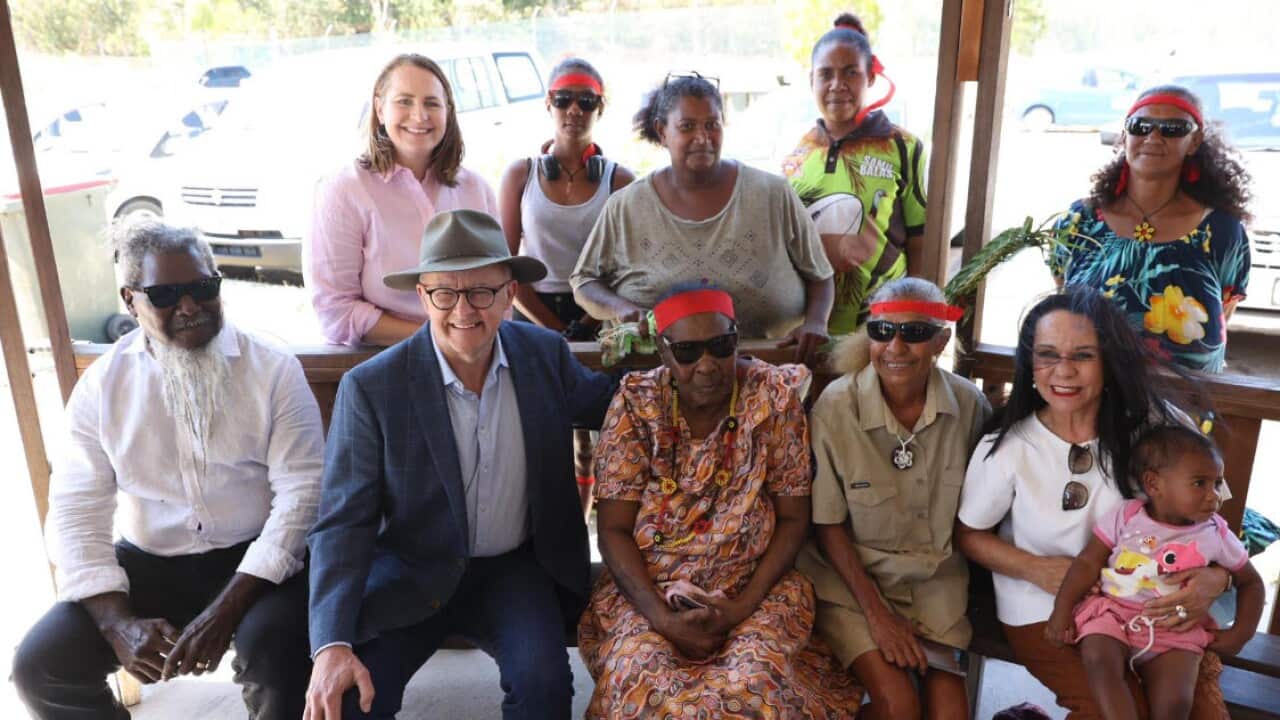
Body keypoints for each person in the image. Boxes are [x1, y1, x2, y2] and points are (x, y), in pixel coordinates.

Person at [303, 209, 616, 720]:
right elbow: (343, 521)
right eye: (445, 293)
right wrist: (331, 643)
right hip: (412, 569)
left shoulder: (544, 357)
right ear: (423, 296)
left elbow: (616, 408)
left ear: (510, 292)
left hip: (515, 570)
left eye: (482, 292)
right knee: (353, 700)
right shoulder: (374, 387)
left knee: (545, 690)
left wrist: (692, 363)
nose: (463, 309)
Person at [13, 222, 323, 720]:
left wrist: (227, 610)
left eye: (203, 288)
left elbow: (304, 496)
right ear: (130, 300)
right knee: (41, 667)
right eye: (165, 294)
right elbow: (76, 512)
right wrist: (118, 623)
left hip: (261, 562)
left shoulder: (273, 369)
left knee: (277, 654)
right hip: (151, 562)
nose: (189, 307)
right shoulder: (102, 388)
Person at [578, 283, 863, 719]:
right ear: (665, 351)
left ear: (737, 340)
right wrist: (663, 619)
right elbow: (614, 529)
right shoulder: (637, 404)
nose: (707, 365)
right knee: (640, 675)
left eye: (721, 346)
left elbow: (792, 519)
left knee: (752, 684)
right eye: (689, 352)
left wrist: (739, 608)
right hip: (650, 594)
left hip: (756, 588)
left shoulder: (772, 396)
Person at [956, 287, 1234, 719]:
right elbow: (969, 534)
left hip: (1153, 604)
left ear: (1111, 361)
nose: (1063, 371)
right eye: (1047, 354)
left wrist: (1216, 579)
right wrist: (1036, 568)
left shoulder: (1162, 431)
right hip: (1045, 608)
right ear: (1030, 363)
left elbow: (1214, 521)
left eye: (1082, 355)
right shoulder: (1010, 445)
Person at [796, 278, 991, 720]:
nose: (895, 346)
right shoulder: (836, 407)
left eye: (915, 333)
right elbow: (828, 526)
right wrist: (879, 618)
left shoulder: (969, 406)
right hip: (852, 584)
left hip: (935, 585)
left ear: (941, 341)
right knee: (898, 705)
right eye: (883, 332)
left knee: (948, 714)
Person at [570, 72, 835, 366]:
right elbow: (584, 280)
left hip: (771, 371)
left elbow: (820, 275)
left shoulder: (772, 194)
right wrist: (619, 308)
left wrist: (816, 322)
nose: (702, 137)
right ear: (662, 131)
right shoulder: (627, 206)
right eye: (686, 126)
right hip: (655, 378)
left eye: (712, 124)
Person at [1046, 426, 1263, 720]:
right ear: (1154, 484)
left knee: (1175, 703)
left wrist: (1241, 633)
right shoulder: (1128, 517)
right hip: (1115, 614)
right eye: (1200, 483)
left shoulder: (1215, 534)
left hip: (1176, 629)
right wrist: (1062, 610)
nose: (1214, 496)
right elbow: (1087, 563)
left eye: (1217, 483)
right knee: (1098, 656)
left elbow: (1251, 582)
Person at [498, 57, 636, 516]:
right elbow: (507, 268)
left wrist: (592, 316)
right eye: (563, 99)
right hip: (535, 312)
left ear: (601, 107)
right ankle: (547, 532)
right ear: (548, 104)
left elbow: (630, 265)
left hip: (598, 311)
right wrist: (557, 328)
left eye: (586, 101)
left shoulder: (619, 180)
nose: (573, 110)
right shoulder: (521, 175)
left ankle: (583, 532)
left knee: (598, 435)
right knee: (542, 432)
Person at [1049, 85, 1253, 373]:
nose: (1153, 137)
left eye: (1173, 128)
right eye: (1140, 126)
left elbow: (1224, 312)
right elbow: (1061, 299)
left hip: (1183, 406)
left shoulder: (1221, 231)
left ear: (1194, 141)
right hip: (1089, 401)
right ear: (1124, 135)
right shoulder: (1080, 220)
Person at [308, 53, 500, 347]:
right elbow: (334, 311)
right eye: (404, 101)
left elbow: (500, 293)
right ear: (380, 109)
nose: (420, 115)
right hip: (384, 361)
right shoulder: (343, 191)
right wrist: (437, 339)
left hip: (474, 357)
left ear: (448, 112)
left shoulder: (477, 189)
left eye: (432, 103)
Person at [782, 13, 928, 336]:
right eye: (826, 74)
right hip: (810, 330)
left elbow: (921, 237)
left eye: (851, 73)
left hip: (879, 329)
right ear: (812, 81)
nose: (838, 85)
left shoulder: (903, 147)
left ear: (870, 78)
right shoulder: (798, 153)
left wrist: (914, 312)